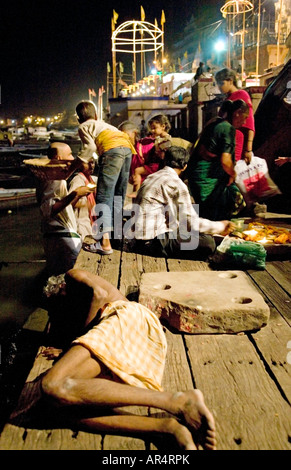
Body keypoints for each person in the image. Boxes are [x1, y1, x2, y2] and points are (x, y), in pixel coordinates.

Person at [40, 268, 216, 451]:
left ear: (61, 288)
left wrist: (74, 346)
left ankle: (176, 401)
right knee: (54, 406)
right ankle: (167, 429)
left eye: (58, 302)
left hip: (126, 316)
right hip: (139, 336)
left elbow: (98, 294)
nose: (62, 310)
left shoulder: (72, 275)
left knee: (52, 385)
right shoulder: (79, 302)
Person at [130, 146, 234, 260]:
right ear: (184, 167)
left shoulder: (151, 177)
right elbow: (191, 223)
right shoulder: (176, 183)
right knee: (208, 242)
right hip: (151, 242)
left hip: (137, 237)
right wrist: (220, 226)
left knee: (197, 233)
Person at [75, 101, 136, 255]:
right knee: (118, 196)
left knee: (104, 197)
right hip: (127, 149)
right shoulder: (104, 124)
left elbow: (89, 148)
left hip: (111, 150)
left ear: (79, 119)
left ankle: (105, 243)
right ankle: (116, 238)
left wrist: (77, 164)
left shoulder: (83, 127)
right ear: (95, 115)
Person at [36, 142, 95, 275]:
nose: (71, 158)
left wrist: (77, 197)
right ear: (58, 157)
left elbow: (60, 204)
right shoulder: (52, 178)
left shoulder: (54, 175)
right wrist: (76, 193)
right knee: (72, 276)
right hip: (61, 236)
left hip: (55, 236)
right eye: (69, 154)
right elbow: (49, 209)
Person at [186, 99, 249, 221]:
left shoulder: (215, 122)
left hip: (198, 175)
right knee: (212, 214)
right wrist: (233, 174)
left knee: (205, 213)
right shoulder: (227, 128)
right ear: (237, 113)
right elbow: (225, 160)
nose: (245, 122)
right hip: (207, 178)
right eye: (244, 117)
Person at [215, 68, 255, 164]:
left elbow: (250, 123)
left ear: (230, 81)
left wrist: (248, 149)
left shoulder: (242, 95)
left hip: (237, 141)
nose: (219, 87)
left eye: (221, 83)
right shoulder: (227, 98)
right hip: (226, 142)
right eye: (218, 84)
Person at [127, 114, 172, 198]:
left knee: (137, 170)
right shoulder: (159, 138)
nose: (152, 131)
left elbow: (163, 154)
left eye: (154, 128)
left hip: (156, 165)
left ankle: (136, 191)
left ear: (163, 126)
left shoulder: (166, 139)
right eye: (151, 128)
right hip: (154, 164)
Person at [69, 157, 98, 242]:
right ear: (79, 165)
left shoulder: (91, 179)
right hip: (81, 223)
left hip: (90, 222)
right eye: (87, 163)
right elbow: (69, 204)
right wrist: (85, 205)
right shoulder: (78, 180)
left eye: (92, 163)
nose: (91, 165)